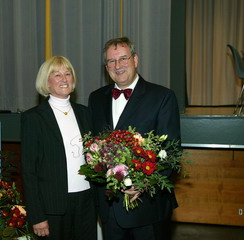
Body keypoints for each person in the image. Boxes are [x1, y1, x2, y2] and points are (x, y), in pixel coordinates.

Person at [88, 37, 181, 240]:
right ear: (106, 66)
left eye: (123, 58)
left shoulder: (162, 96)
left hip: (148, 208)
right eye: (111, 61)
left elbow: (171, 151)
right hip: (109, 209)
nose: (118, 66)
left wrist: (144, 184)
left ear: (135, 59)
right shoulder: (95, 98)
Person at [21, 56, 97, 240]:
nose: (64, 78)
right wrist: (37, 216)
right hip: (52, 207)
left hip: (87, 202)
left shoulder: (85, 113)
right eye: (57, 75)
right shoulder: (34, 118)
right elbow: (29, 172)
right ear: (46, 82)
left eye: (68, 73)